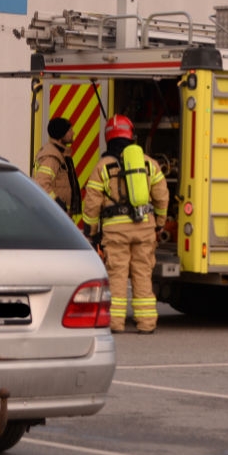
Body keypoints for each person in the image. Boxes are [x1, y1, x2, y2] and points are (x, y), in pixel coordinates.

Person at [82, 115, 169, 333]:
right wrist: (159, 224)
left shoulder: (103, 167)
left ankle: (115, 322)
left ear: (108, 138)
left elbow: (92, 203)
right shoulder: (149, 164)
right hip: (145, 229)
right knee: (142, 273)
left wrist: (90, 232)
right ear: (131, 136)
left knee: (117, 275)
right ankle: (146, 323)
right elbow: (162, 197)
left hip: (116, 232)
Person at [32, 117, 81, 219]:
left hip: (57, 214)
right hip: (53, 215)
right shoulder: (52, 156)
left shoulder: (60, 153)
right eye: (70, 130)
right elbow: (41, 184)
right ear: (61, 135)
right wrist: (59, 205)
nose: (73, 133)